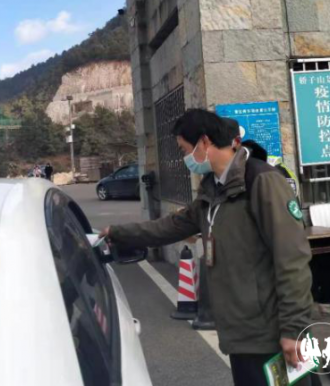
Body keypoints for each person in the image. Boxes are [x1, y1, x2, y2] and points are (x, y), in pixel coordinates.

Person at [101, 109, 313, 386]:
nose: (185, 158)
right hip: (241, 332)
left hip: (271, 334)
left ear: (204, 142)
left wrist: (294, 329)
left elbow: (292, 259)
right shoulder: (212, 189)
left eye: (184, 149)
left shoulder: (261, 181)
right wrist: (118, 233)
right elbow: (170, 227)